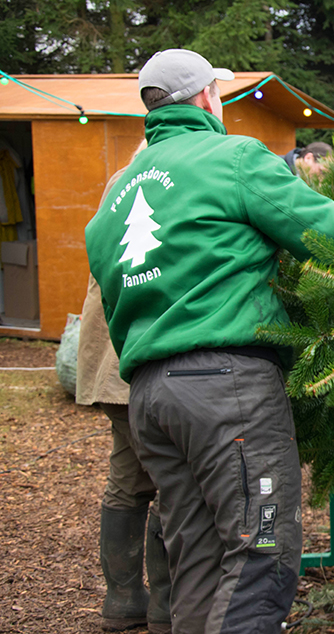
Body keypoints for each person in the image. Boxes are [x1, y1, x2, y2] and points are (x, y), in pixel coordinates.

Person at [85, 48, 334, 634]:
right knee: (261, 552)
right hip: (228, 392)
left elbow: (113, 297)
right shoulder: (234, 158)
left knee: (196, 561)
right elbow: (326, 233)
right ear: (205, 99)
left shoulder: (116, 196)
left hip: (149, 399)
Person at [77, 140, 171, 634]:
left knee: (129, 477)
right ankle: (164, 606)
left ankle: (125, 600)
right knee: (173, 481)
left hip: (113, 362)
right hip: (139, 357)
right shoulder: (158, 187)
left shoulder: (122, 184)